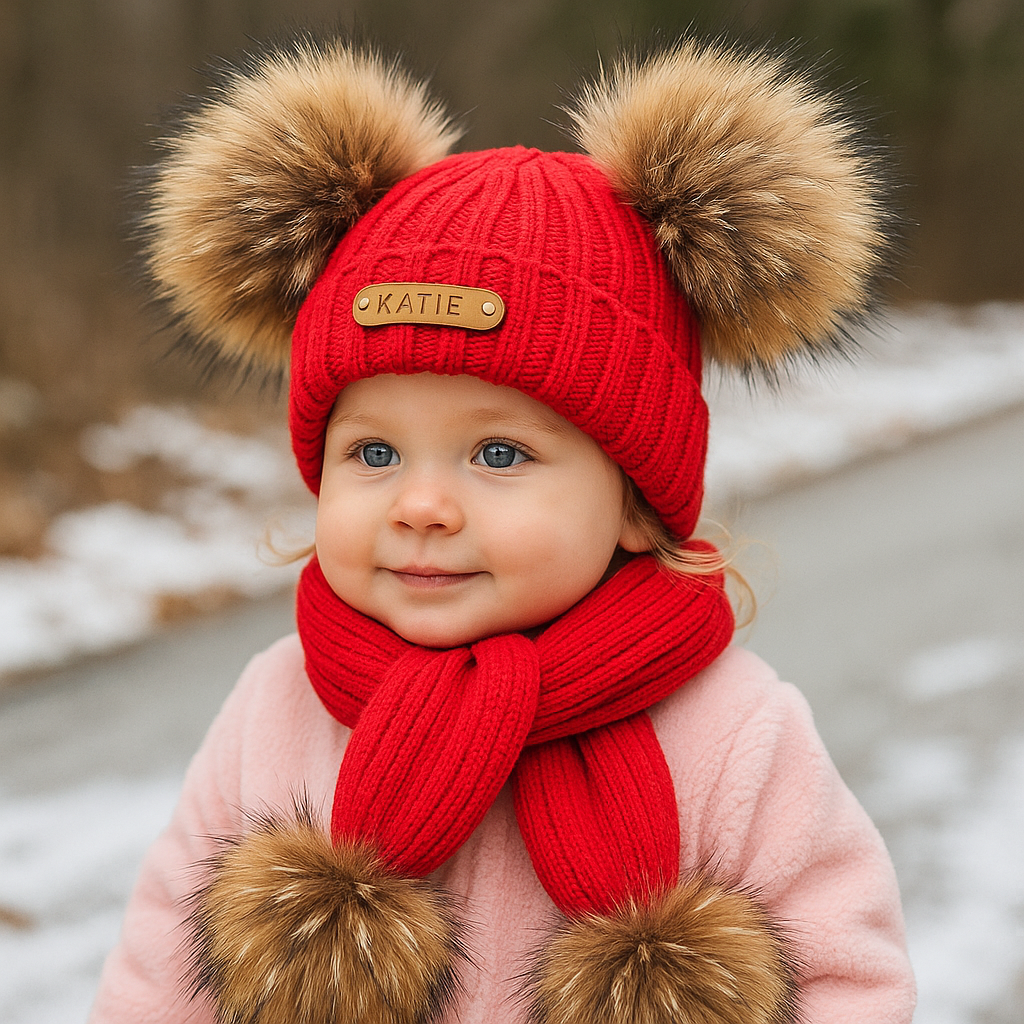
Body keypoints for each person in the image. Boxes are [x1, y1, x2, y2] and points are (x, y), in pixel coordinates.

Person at [90, 37, 916, 1024]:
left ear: (636, 500)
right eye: (375, 454)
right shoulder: (281, 708)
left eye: (497, 455)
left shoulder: (731, 732)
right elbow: (157, 977)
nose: (420, 505)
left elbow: (849, 982)